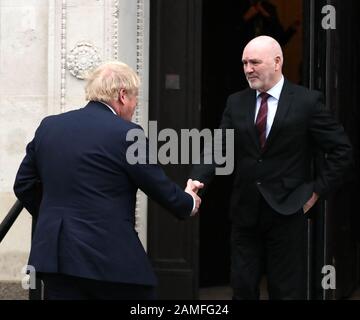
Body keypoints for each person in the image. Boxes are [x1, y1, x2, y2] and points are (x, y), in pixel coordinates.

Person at [13, 61, 203, 300]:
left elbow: (23, 184)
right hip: (111, 259)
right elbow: (158, 187)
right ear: (122, 95)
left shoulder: (50, 126)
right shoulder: (126, 134)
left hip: (56, 255)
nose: (134, 106)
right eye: (135, 99)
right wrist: (188, 200)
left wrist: (55, 215)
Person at [190, 36, 352, 299]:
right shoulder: (236, 102)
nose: (247, 69)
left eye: (254, 62)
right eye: (244, 63)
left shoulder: (306, 102)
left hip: (288, 212)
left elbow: (341, 151)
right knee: (242, 288)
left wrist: (315, 191)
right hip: (245, 213)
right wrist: (197, 180)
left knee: (286, 292)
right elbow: (218, 147)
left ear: (278, 62)